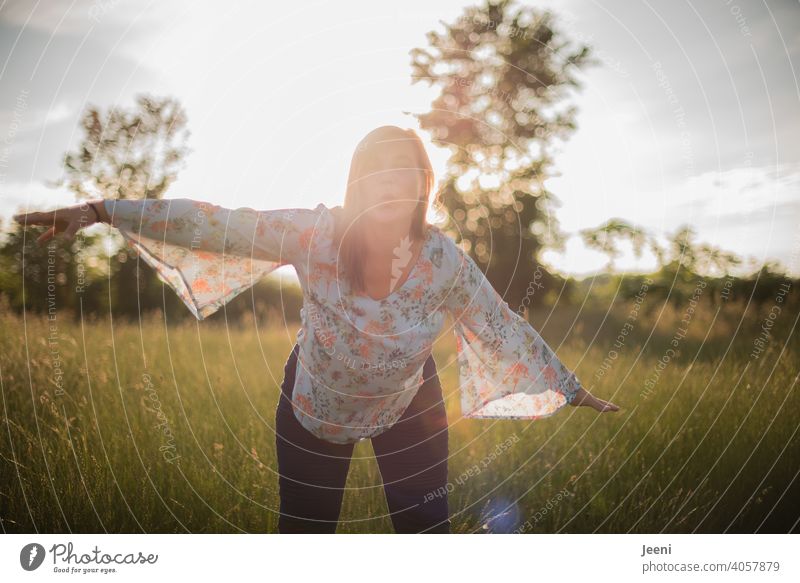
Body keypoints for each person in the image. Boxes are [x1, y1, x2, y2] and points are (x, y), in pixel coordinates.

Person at [13, 125, 619, 534]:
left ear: (421, 184)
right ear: (356, 182)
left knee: (427, 534)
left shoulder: (444, 262)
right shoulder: (314, 234)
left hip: (411, 407)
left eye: (404, 171)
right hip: (315, 406)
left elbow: (496, 323)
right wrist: (98, 211)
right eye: (375, 171)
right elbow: (216, 225)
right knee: (304, 538)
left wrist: (566, 386)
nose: (390, 181)